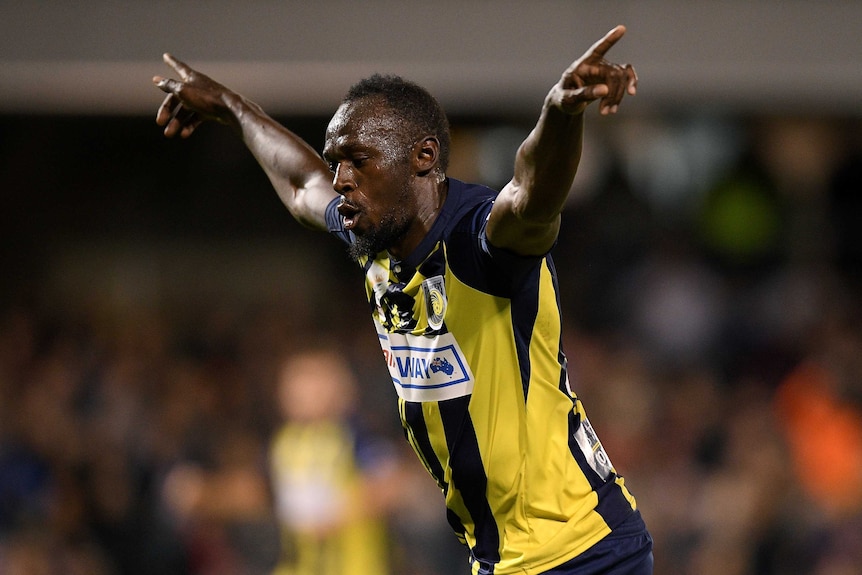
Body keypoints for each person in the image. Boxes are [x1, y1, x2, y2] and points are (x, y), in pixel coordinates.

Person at [153, 24, 652, 575]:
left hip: (582, 549)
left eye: (358, 160)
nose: (341, 179)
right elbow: (300, 186)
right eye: (336, 160)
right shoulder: (375, 236)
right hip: (503, 559)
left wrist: (560, 113)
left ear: (423, 157)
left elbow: (534, 195)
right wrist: (230, 105)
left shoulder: (481, 241)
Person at [269, 347, 402, 575]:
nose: (307, 393)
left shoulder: (355, 433)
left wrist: (337, 513)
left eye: (316, 381)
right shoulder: (284, 441)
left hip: (355, 566)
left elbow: (390, 484)